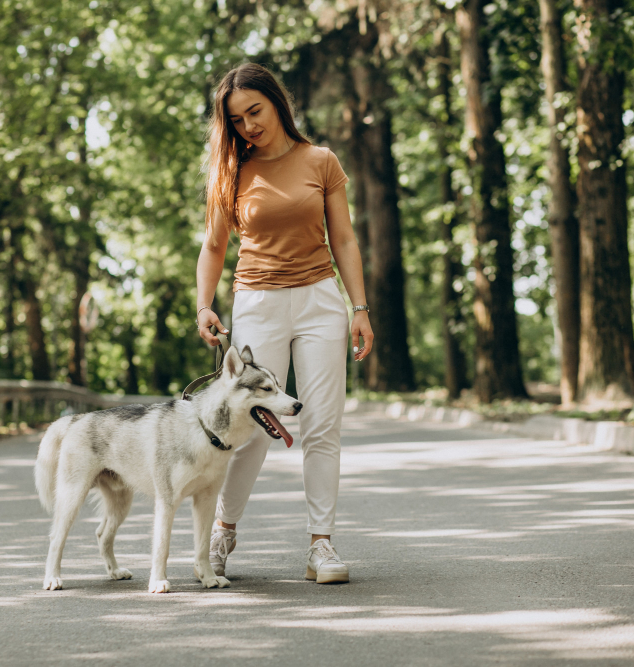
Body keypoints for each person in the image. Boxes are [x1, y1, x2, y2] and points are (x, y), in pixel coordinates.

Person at [195, 63, 374, 584]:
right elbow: (213, 246)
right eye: (237, 119)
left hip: (320, 301)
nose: (249, 124)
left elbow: (344, 239)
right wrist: (204, 305)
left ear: (277, 103)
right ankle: (223, 531)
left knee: (323, 425)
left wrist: (359, 309)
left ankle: (322, 545)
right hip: (257, 302)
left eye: (256, 110)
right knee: (249, 426)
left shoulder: (321, 160)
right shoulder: (231, 172)